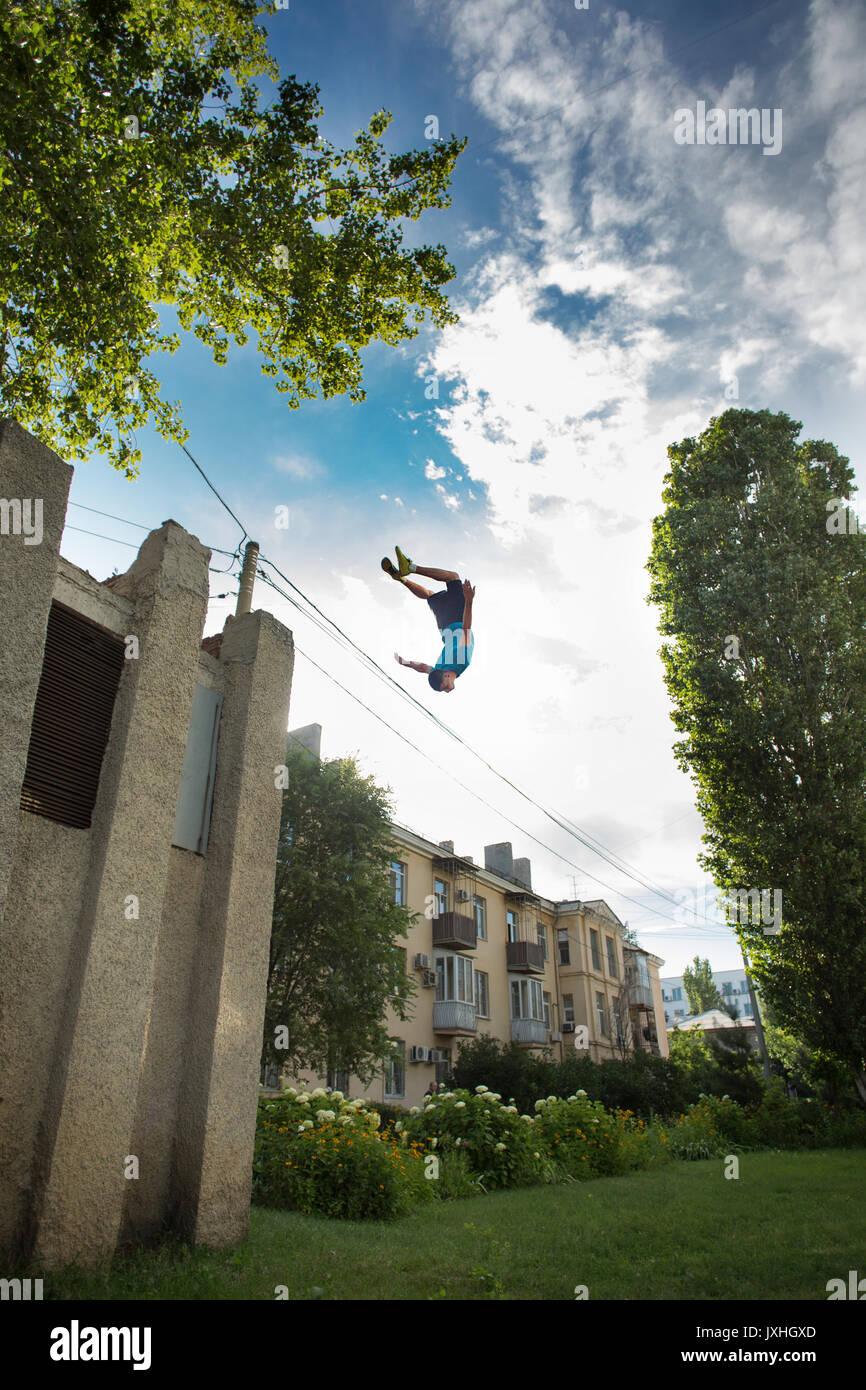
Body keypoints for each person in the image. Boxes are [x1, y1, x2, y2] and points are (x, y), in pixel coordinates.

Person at [382, 545, 475, 692]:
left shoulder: (461, 662)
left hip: (456, 619)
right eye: (444, 689)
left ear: (445, 675)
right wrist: (405, 663)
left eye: (444, 686)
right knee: (430, 595)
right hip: (444, 627)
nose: (447, 690)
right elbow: (423, 668)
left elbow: (466, 629)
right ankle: (401, 579)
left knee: (453, 578)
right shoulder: (438, 670)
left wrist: (469, 601)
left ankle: (411, 567)